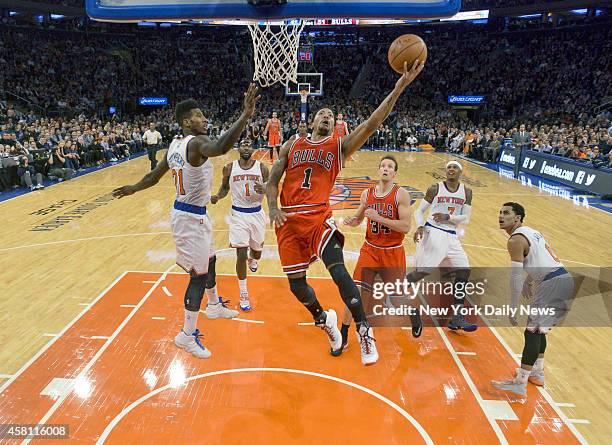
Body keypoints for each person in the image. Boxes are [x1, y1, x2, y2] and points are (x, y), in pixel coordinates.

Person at [266, 60, 425, 366]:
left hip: (318, 217)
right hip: (288, 220)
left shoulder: (339, 147)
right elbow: (273, 178)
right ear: (313, 120)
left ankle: (364, 330)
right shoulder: (292, 143)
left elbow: (372, 123)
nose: (327, 117)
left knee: (338, 270)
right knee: (297, 285)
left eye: (332, 116)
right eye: (323, 114)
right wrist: (272, 207)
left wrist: (399, 87)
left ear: (335, 124)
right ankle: (323, 319)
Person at [112, 83, 260, 359]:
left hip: (193, 214)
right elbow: (221, 146)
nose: (204, 119)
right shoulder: (197, 143)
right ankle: (186, 335)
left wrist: (133, 188)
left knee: (211, 259)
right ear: (185, 122)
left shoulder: (175, 145)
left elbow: (152, 177)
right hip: (189, 217)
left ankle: (214, 305)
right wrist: (245, 116)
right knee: (197, 276)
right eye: (199, 115)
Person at [492, 202, 574, 400]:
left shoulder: (515, 241)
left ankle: (520, 384)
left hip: (552, 284)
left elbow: (514, 277)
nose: (501, 216)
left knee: (532, 333)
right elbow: (544, 257)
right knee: (539, 330)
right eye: (500, 213)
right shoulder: (532, 231)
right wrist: (532, 279)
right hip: (563, 278)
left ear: (518, 217)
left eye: (506, 213)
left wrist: (512, 307)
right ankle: (537, 373)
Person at [342, 155, 421, 350]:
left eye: (390, 166)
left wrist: (379, 218)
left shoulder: (401, 195)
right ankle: (343, 333)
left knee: (396, 297)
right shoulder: (367, 194)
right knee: (355, 293)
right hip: (370, 249)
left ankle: (413, 312)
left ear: (394, 173)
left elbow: (405, 227)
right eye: (383, 166)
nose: (385, 169)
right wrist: (352, 221)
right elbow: (359, 218)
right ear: (378, 170)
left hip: (392, 252)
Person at [409, 160, 477, 332]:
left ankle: (457, 317)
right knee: (421, 273)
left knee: (464, 270)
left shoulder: (467, 192)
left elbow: (466, 219)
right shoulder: (435, 188)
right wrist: (420, 225)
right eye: (449, 168)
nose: (451, 170)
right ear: (445, 171)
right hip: (433, 232)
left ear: (460, 172)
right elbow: (418, 211)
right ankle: (391, 291)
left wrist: (448, 217)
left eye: (455, 167)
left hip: (452, 236)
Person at [211, 138, 269, 311]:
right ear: (238, 148)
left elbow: (273, 188)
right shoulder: (229, 168)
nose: (246, 147)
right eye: (243, 144)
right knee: (240, 254)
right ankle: (244, 294)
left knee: (256, 254)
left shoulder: (262, 168)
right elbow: (224, 188)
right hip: (238, 214)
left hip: (256, 213)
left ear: (253, 149)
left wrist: (265, 189)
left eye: (249, 144)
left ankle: (253, 258)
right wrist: (217, 196)